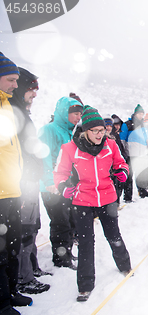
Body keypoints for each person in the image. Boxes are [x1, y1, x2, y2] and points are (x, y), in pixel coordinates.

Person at [54, 108, 132, 302]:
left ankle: (125, 267)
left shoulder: (111, 145)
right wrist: (63, 186)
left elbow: (121, 163)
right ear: (85, 131)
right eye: (95, 131)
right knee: (86, 242)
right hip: (83, 200)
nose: (100, 134)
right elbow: (60, 172)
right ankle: (85, 285)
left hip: (107, 197)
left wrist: (122, 171)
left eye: (102, 130)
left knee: (113, 235)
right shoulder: (70, 148)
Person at [9, 67, 51, 295]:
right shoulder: (13, 114)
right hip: (21, 182)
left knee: (33, 227)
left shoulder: (23, 114)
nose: (34, 95)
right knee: (24, 230)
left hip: (30, 180)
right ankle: (23, 277)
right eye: (31, 90)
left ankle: (31, 268)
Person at [0, 52, 33, 315]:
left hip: (12, 190)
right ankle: (0, 304)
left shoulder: (8, 107)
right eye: (11, 80)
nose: (15, 85)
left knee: (12, 248)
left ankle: (11, 293)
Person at [39, 95, 83, 270]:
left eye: (80, 114)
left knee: (69, 220)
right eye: (75, 113)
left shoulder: (68, 132)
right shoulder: (49, 130)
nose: (78, 117)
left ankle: (67, 252)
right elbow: (44, 158)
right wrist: (51, 182)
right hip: (52, 187)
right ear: (65, 113)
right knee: (60, 223)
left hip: (67, 185)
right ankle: (61, 259)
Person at [120, 105, 148, 198]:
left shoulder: (143, 126)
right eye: (139, 114)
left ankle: (142, 192)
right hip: (130, 154)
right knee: (129, 176)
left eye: (142, 114)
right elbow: (122, 139)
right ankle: (128, 196)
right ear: (135, 114)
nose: (141, 116)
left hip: (141, 155)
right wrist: (124, 152)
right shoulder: (127, 124)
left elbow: (147, 140)